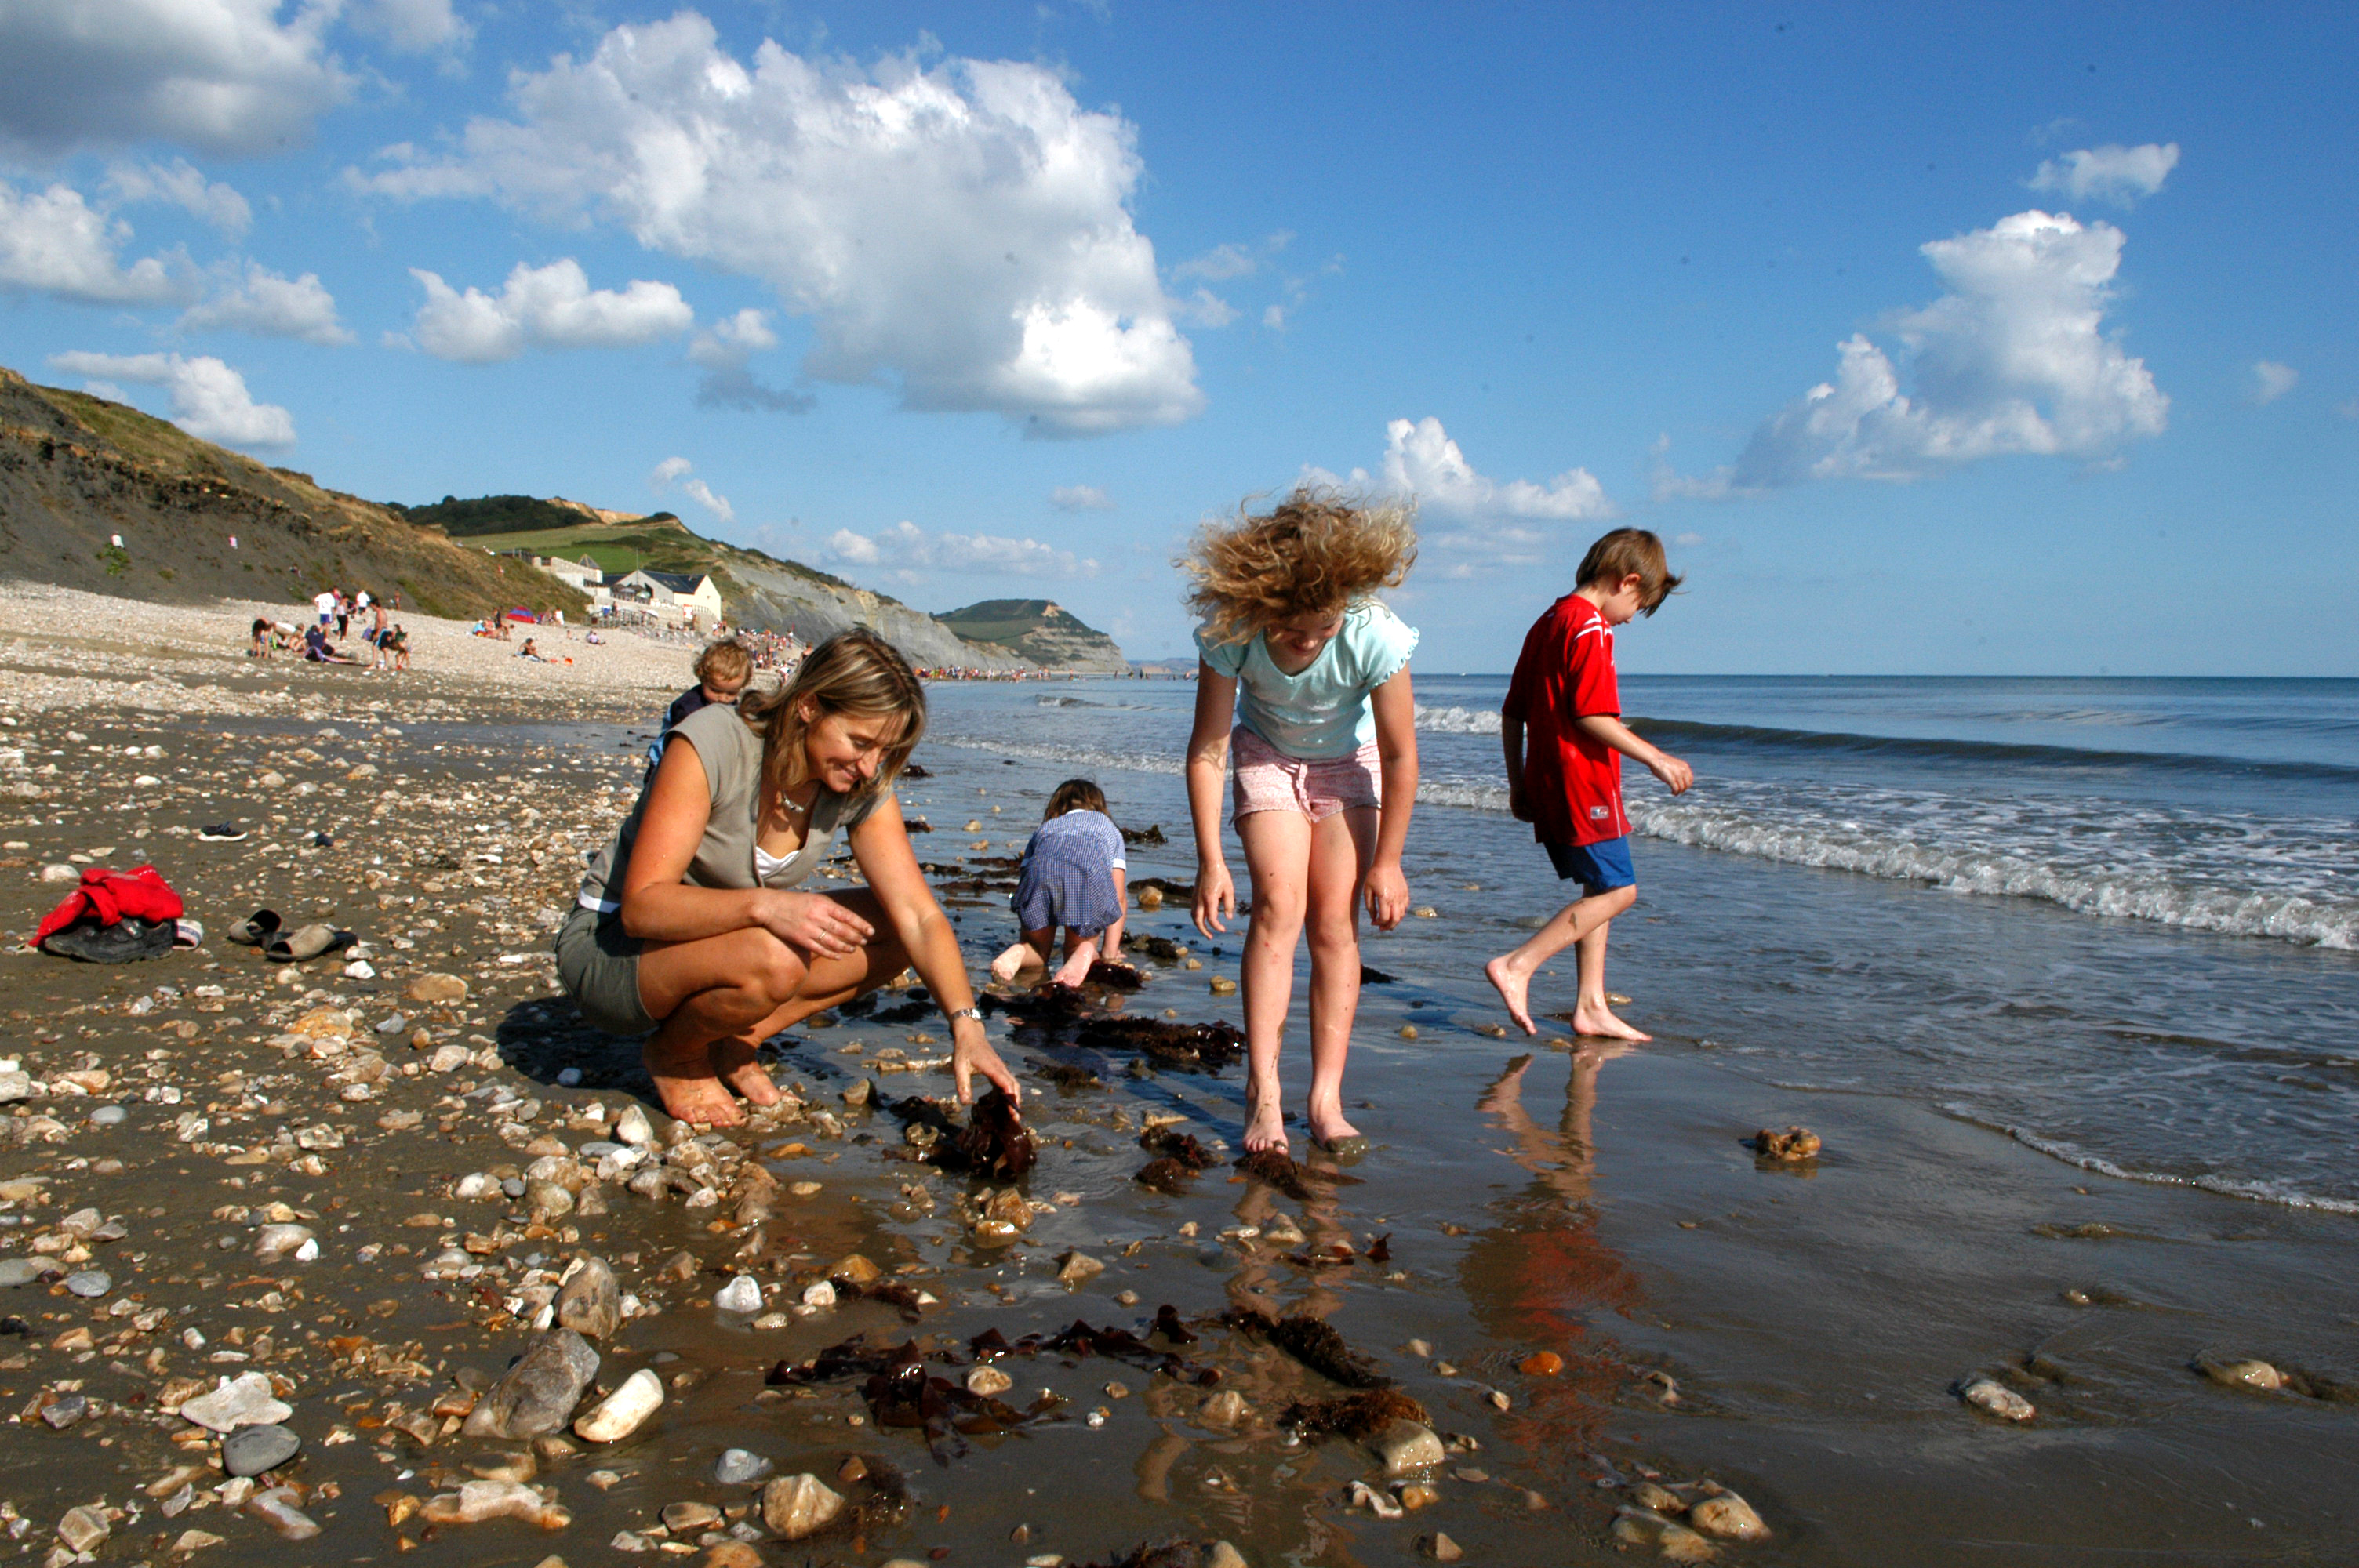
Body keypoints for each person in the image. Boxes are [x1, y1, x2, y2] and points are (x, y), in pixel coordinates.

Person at [556, 628, 1021, 1127]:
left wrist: (967, 1026)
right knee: (775, 958)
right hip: (610, 950)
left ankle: (734, 1041)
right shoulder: (714, 741)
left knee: (894, 926)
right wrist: (768, 906)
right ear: (807, 706)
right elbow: (642, 907)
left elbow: (919, 915)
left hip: (716, 943)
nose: (869, 767)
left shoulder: (858, 782)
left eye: (884, 751)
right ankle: (676, 1054)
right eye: (859, 742)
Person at [1182, 487, 1420, 1155]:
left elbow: (1401, 755)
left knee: (1334, 926)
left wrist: (1389, 861)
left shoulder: (1375, 632)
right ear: (1261, 604)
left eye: (1324, 625)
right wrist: (1210, 860)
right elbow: (1207, 750)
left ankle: (1325, 1097)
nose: (1310, 640)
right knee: (1278, 908)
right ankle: (1265, 1092)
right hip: (1267, 756)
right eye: (1292, 628)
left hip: (1351, 762)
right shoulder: (1232, 631)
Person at [1485, 528, 1693, 1041]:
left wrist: (1518, 782)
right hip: (1584, 783)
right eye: (1639, 604)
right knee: (1621, 890)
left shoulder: (1549, 621)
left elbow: (1513, 714)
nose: (1631, 618)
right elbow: (1591, 715)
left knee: (1599, 886)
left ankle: (1591, 1006)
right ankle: (1518, 964)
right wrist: (1656, 757)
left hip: (1549, 778)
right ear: (1627, 581)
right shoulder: (1591, 629)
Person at [991, 779, 1129, 987]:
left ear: (1056, 806)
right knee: (1077, 947)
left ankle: (1020, 952)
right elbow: (1118, 898)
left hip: (1042, 875)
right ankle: (1084, 951)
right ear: (1099, 806)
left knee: (1036, 948)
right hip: (1086, 879)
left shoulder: (1046, 829)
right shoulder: (1109, 829)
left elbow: (1026, 878)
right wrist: (1109, 952)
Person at [648, 639, 754, 775]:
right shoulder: (689, 706)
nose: (722, 698)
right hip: (665, 763)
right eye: (716, 690)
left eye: (731, 693)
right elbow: (680, 742)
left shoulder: (732, 708)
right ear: (703, 678)